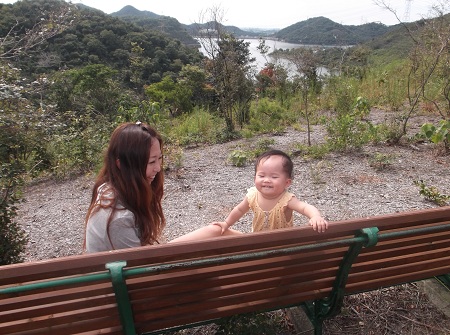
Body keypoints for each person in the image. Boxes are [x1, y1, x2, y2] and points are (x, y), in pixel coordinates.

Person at [84, 121, 221, 252]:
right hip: (140, 273)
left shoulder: (107, 189)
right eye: (151, 162)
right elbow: (142, 270)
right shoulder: (119, 219)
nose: (158, 168)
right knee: (216, 233)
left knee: (217, 230)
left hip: (135, 269)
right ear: (122, 165)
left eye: (159, 159)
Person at [171, 150, 328, 243]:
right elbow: (239, 210)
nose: (266, 180)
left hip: (277, 248)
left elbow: (305, 207)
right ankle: (166, 248)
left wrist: (315, 217)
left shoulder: (286, 200)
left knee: (217, 235)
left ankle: (161, 252)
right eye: (261, 175)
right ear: (254, 177)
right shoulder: (253, 195)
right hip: (256, 243)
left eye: (274, 177)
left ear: (287, 183)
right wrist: (226, 223)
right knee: (216, 229)